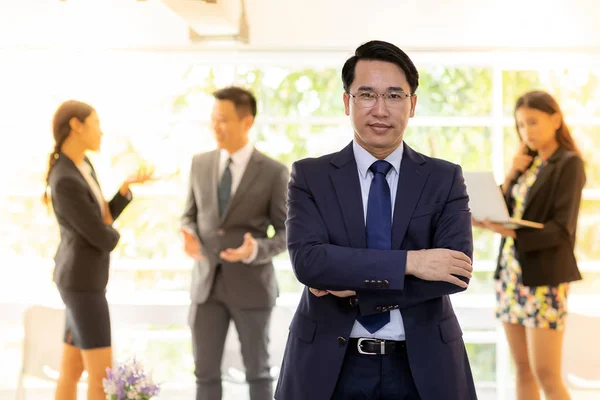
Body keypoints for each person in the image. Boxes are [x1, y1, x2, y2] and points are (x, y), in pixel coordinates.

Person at [275, 40, 477, 400]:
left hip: (423, 367)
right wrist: (413, 262)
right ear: (346, 102)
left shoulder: (444, 178)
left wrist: (350, 279)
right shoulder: (310, 177)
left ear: (412, 104)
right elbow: (309, 263)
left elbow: (454, 270)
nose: (380, 109)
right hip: (329, 367)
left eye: (395, 96)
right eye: (366, 94)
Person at [473, 90, 585, 400]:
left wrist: (511, 233)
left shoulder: (569, 163)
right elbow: (503, 207)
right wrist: (511, 173)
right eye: (521, 125)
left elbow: (562, 231)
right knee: (522, 370)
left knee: (546, 373)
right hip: (511, 277)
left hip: (544, 280)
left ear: (556, 119)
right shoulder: (528, 166)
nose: (527, 131)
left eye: (533, 122)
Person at [180, 86, 289, 400]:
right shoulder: (200, 164)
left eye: (224, 119)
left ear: (247, 122)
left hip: (252, 286)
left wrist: (255, 249)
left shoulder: (273, 172)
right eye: (214, 119)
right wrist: (187, 234)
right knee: (205, 375)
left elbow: (286, 233)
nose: (216, 126)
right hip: (206, 285)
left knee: (258, 373)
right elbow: (189, 215)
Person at [46, 100, 153, 400]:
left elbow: (101, 217)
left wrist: (124, 190)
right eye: (96, 125)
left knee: (72, 368)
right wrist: (111, 233)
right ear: (76, 126)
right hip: (82, 284)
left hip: (80, 280)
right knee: (102, 376)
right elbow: (100, 234)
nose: (101, 133)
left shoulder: (83, 166)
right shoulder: (64, 178)